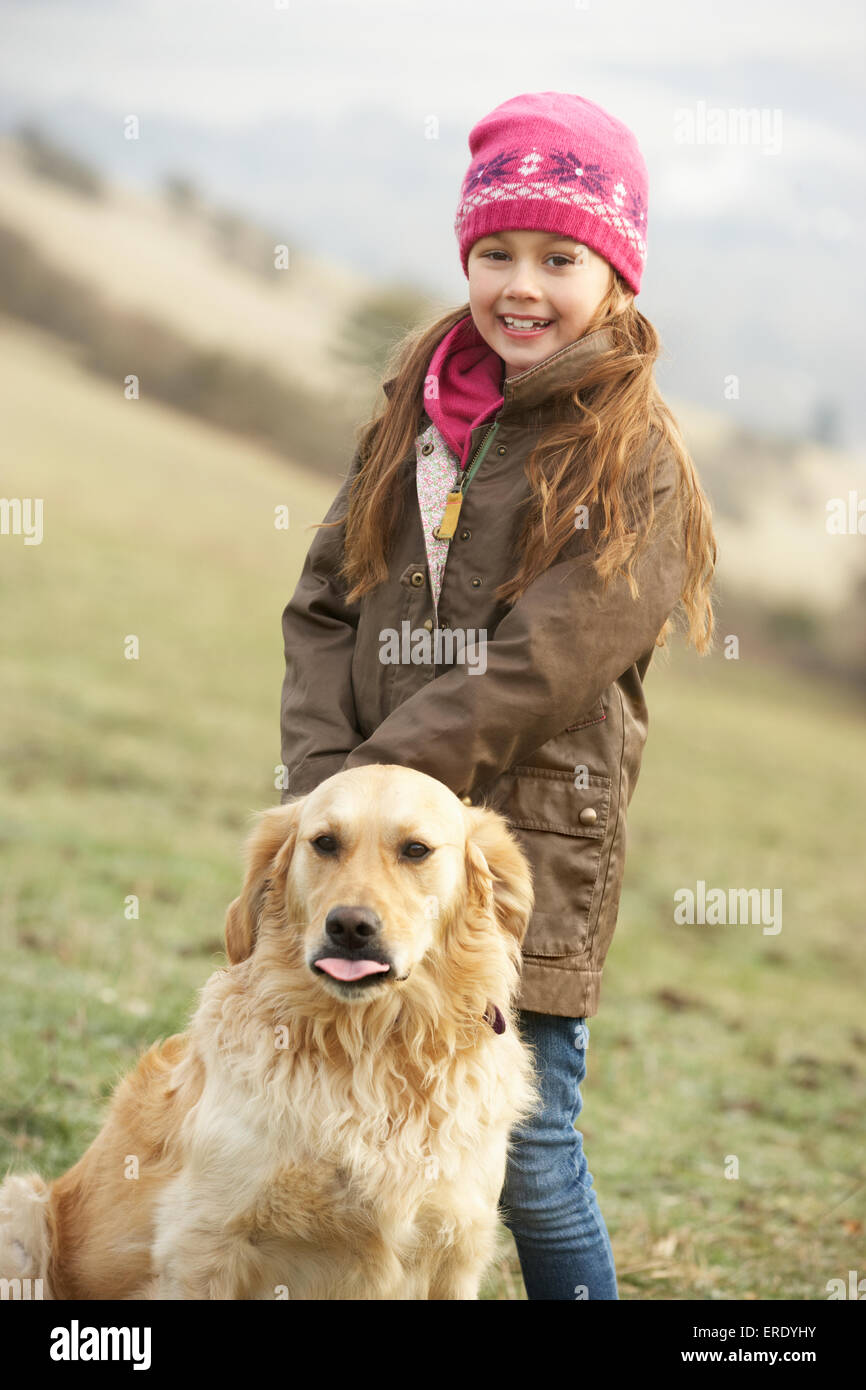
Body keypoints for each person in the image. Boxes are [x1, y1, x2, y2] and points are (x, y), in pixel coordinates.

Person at [278, 91, 717, 1300]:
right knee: (347, 1126)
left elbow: (547, 659)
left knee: (521, 1150)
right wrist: (327, 782)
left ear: (615, 274)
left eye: (559, 258)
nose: (522, 285)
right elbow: (322, 602)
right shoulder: (413, 420)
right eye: (495, 253)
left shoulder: (635, 456)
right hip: (368, 846)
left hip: (522, 859)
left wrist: (382, 777)